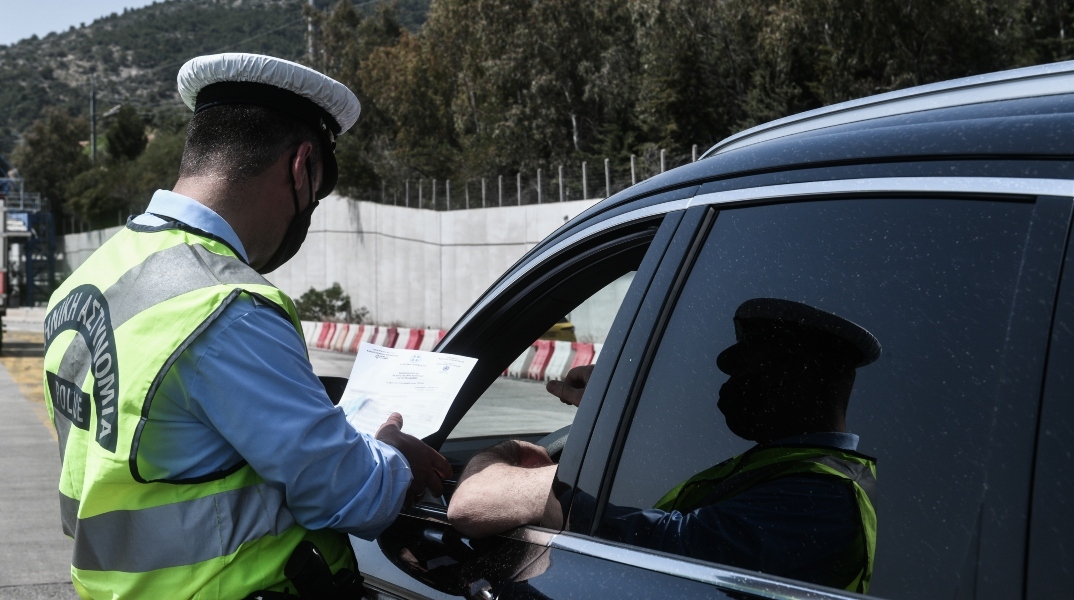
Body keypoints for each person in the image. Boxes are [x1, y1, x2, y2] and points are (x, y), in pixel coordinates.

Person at [41, 53, 451, 598]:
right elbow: (349, 493)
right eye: (318, 194)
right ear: (302, 166)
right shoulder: (225, 305)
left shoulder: (87, 281)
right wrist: (397, 455)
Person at [448, 298, 881, 593]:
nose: (730, 385)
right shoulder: (779, 465)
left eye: (746, 372)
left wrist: (512, 464)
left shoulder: (821, 497)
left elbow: (658, 544)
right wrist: (613, 403)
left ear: (797, 379)